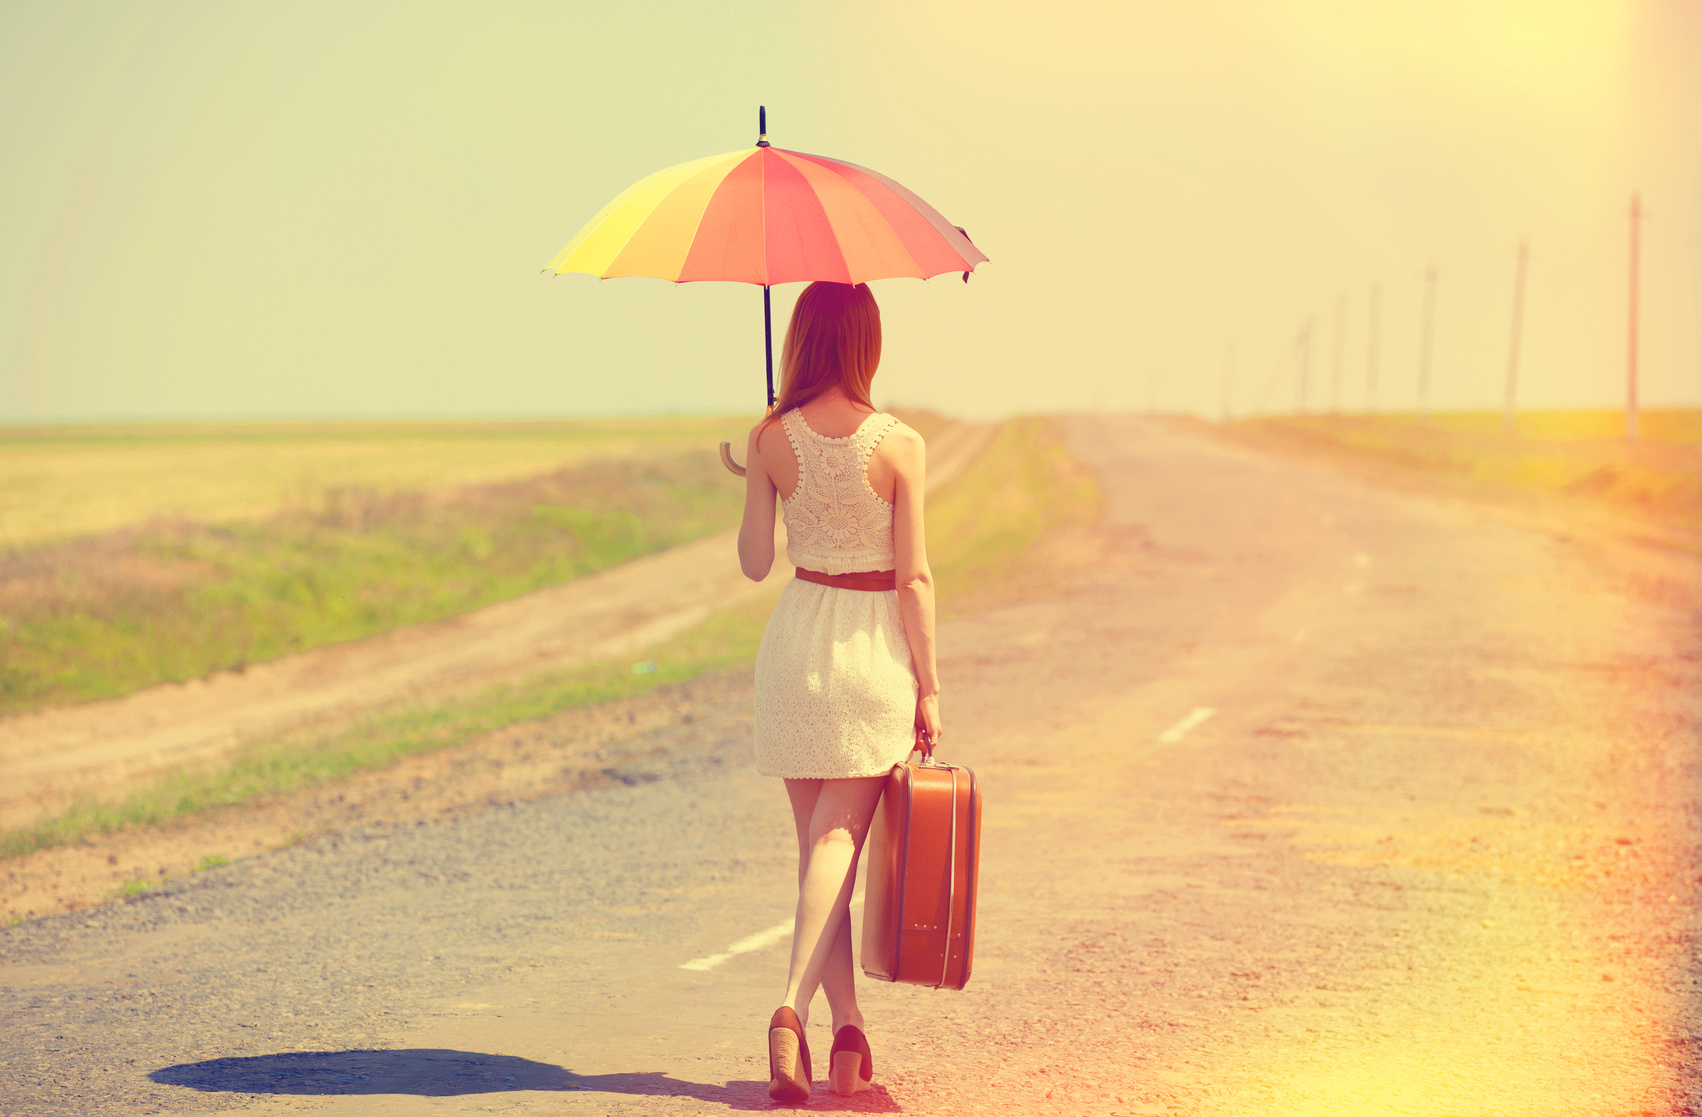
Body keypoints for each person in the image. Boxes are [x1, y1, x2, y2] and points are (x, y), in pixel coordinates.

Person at [736, 281, 942, 1103]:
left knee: (821, 852)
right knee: (835, 849)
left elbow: (756, 562)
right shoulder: (900, 444)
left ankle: (848, 1035)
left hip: (794, 644)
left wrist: (754, 468)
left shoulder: (770, 438)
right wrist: (930, 685)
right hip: (867, 652)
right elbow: (915, 577)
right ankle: (790, 1010)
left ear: (800, 340)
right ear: (867, 343)